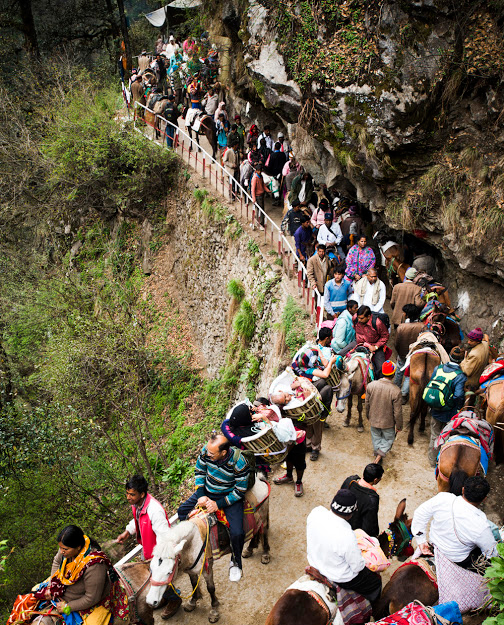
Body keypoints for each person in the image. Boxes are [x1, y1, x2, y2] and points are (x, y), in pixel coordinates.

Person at [7, 525, 129, 625]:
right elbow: (56, 561)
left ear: (78, 547)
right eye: (60, 548)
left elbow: (92, 598)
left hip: (87, 601)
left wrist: (68, 606)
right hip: (62, 587)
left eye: (64, 549)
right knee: (25, 603)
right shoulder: (66, 550)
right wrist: (52, 585)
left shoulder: (94, 565)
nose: (61, 551)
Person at [178, 433, 250, 582]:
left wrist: (218, 504)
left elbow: (240, 491)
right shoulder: (207, 451)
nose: (207, 454)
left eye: (212, 453)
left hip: (228, 495)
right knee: (182, 511)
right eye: (208, 451)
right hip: (208, 491)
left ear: (223, 452)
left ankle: (236, 561)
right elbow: (199, 471)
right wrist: (201, 494)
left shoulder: (239, 462)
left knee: (237, 532)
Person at [306, 490, 382, 604]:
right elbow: (357, 567)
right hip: (339, 576)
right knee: (375, 583)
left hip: (314, 563)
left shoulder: (316, 512)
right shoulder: (346, 535)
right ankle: (376, 611)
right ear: (350, 514)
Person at [411, 476, 497, 571]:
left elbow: (420, 513)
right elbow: (491, 553)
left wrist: (421, 540)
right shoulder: (482, 524)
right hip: (457, 559)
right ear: (484, 499)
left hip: (434, 547)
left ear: (463, 490)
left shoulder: (443, 498)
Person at [292, 329, 337, 460]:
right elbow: (325, 372)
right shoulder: (308, 369)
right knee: (314, 422)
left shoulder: (299, 362)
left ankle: (313, 446)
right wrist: (330, 361)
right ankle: (312, 446)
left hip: (309, 391)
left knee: (324, 385)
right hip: (305, 398)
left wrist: (319, 352)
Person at [426, 346, 467, 467]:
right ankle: (443, 461)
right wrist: (458, 407)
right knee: (448, 436)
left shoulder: (438, 368)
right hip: (450, 411)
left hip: (435, 408)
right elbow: (459, 395)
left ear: (449, 356)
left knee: (435, 434)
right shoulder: (460, 376)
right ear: (461, 361)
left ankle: (432, 461)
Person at [365, 361, 403, 462]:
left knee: (376, 438)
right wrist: (399, 426)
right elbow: (397, 412)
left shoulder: (371, 385)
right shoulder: (396, 391)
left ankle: (377, 453)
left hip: (373, 419)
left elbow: (367, 403)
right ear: (394, 374)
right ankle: (379, 456)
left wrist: (368, 416)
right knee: (389, 440)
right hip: (388, 423)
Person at [341, 463, 384, 538]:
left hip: (340, 521)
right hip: (352, 533)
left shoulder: (350, 480)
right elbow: (369, 526)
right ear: (375, 480)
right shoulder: (372, 499)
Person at [393, 304, 425, 404]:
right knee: (408, 375)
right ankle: (403, 394)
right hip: (415, 355)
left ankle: (395, 390)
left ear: (407, 315)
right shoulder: (422, 327)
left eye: (404, 312)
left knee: (399, 371)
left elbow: (396, 342)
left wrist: (399, 352)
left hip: (402, 354)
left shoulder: (401, 327)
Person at [354, 305, 390, 378]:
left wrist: (376, 347)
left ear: (369, 316)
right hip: (359, 343)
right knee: (341, 355)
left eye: (361, 318)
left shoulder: (377, 323)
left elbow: (385, 336)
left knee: (381, 368)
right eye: (358, 318)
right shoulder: (355, 318)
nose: (359, 320)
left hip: (374, 345)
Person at [251, 163, 268, 227]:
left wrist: (267, 190)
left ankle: (259, 222)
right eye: (258, 170)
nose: (259, 172)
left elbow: (263, 185)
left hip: (261, 194)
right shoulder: (255, 178)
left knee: (261, 209)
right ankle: (260, 223)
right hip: (258, 196)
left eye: (260, 170)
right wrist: (254, 198)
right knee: (260, 209)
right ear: (256, 171)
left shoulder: (261, 176)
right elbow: (253, 189)